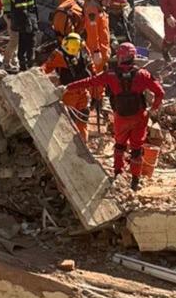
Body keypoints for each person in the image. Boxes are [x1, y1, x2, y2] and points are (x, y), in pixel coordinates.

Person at [66, 43, 164, 191]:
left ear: (120, 57)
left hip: (121, 117)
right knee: (137, 149)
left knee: (119, 146)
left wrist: (69, 87)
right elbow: (160, 92)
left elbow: (90, 81)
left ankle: (118, 175)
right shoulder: (142, 74)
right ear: (133, 56)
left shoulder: (110, 74)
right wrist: (153, 108)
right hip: (139, 117)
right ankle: (135, 182)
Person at [42, 32, 94, 142]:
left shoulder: (84, 49)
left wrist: (98, 93)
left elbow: (91, 67)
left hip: (84, 90)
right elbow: (46, 67)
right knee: (68, 120)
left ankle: (83, 143)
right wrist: (36, 74)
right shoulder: (59, 54)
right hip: (68, 92)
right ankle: (66, 143)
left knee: (83, 116)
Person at [8, 0, 39, 70]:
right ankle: (27, 67)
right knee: (28, 45)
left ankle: (25, 65)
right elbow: (21, 8)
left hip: (26, 21)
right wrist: (28, 23)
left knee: (24, 44)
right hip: (26, 22)